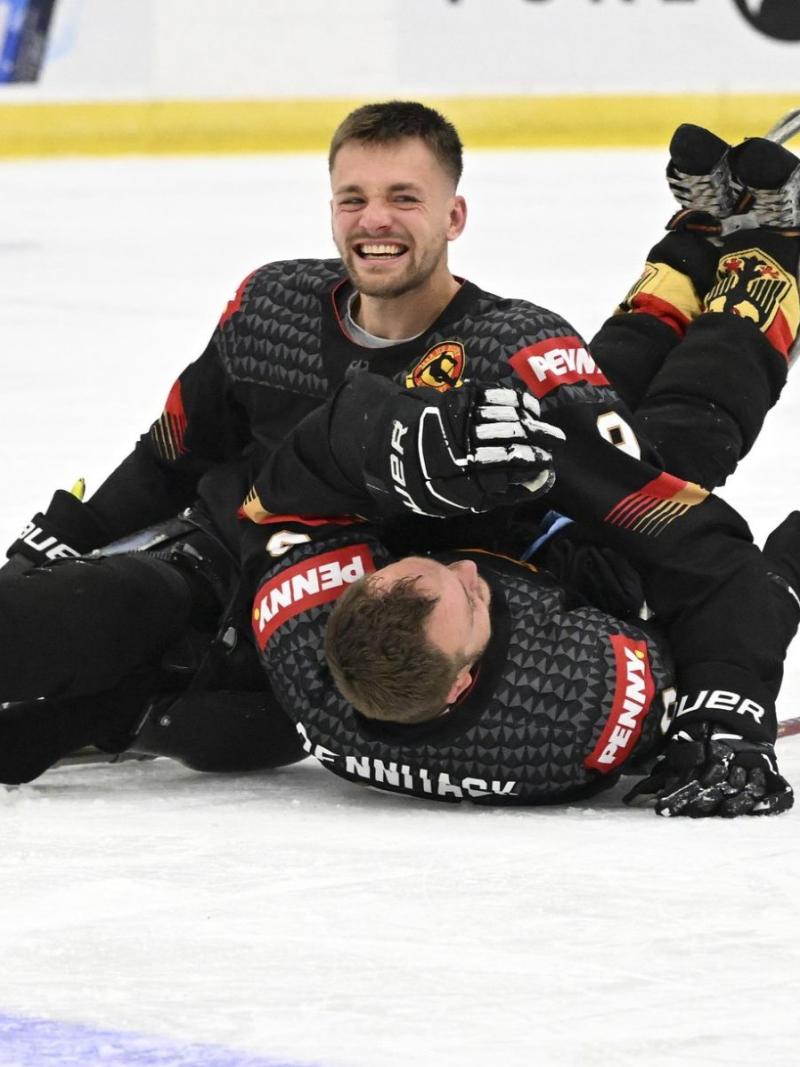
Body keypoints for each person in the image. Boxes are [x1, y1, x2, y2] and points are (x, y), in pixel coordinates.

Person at [1, 105, 798, 815]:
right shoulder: (270, 307)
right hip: (224, 574)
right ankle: (697, 237)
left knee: (674, 443)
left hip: (401, 591)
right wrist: (64, 534)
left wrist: (728, 694)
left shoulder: (513, 349)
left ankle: (761, 246)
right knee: (77, 620)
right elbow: (175, 448)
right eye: (354, 198)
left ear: (454, 215)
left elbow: (674, 529)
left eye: (403, 199)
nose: (373, 220)